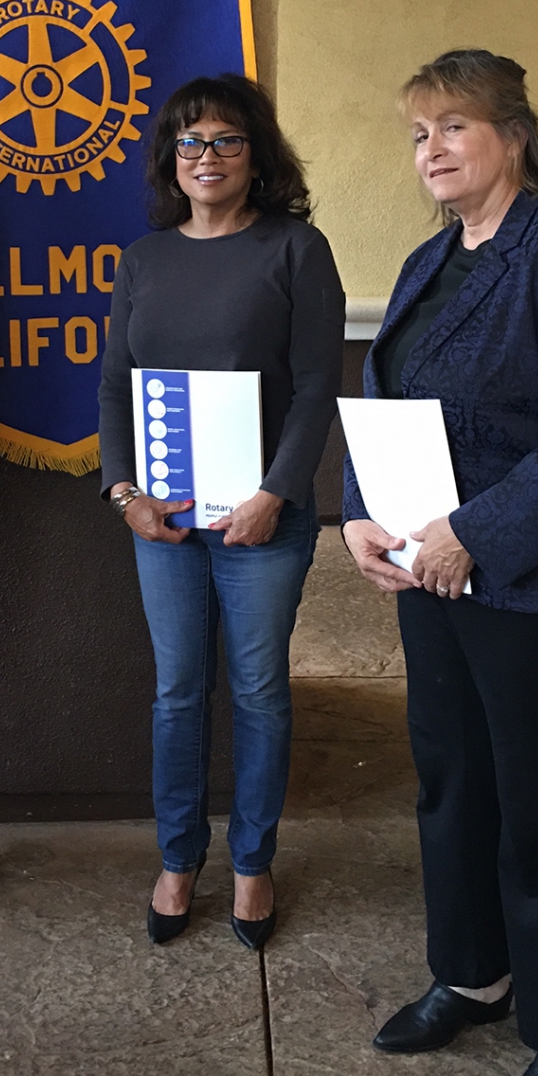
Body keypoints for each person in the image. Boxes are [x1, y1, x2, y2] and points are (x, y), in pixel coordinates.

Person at [342, 49, 538, 1076]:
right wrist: (358, 514)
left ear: (514, 134)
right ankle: (475, 971)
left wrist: (473, 532)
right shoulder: (438, 258)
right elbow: (384, 392)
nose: (431, 149)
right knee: (452, 776)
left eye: (453, 127)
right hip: (436, 573)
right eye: (418, 132)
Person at [99, 74, 346, 947]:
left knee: (260, 692)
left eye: (227, 141)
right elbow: (115, 392)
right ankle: (177, 858)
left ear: (257, 156)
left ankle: (251, 863)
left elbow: (318, 387)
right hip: (163, 523)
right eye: (190, 143)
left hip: (262, 525)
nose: (207, 157)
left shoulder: (296, 249)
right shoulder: (144, 257)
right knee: (176, 693)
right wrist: (124, 492)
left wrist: (276, 494)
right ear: (172, 159)